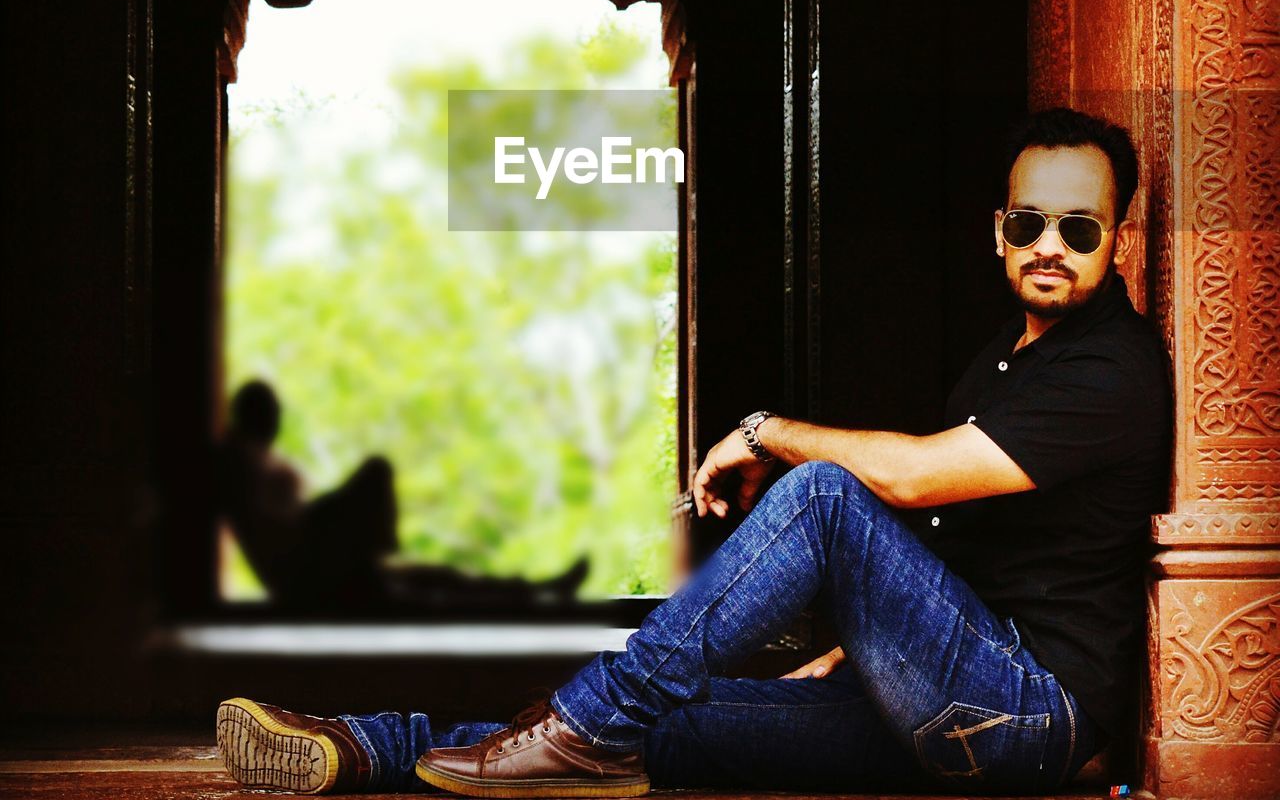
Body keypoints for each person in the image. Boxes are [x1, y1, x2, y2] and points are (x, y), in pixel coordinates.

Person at [215, 106, 1172, 795]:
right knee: (672, 727)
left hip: (1024, 718)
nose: (1050, 245)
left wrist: (765, 432)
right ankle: (369, 748)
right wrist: (862, 648)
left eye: (1078, 227)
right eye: (1028, 223)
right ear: (997, 233)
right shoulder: (1006, 360)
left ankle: (588, 718)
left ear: (1118, 237)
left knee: (826, 499)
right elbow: (967, 548)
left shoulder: (1112, 371)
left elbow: (916, 476)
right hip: (952, 701)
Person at [217, 380, 588, 615]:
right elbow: (280, 530)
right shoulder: (238, 459)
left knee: (436, 580)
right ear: (256, 416)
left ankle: (537, 591)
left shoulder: (250, 459)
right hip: (307, 575)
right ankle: (535, 593)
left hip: (320, 569)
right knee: (377, 473)